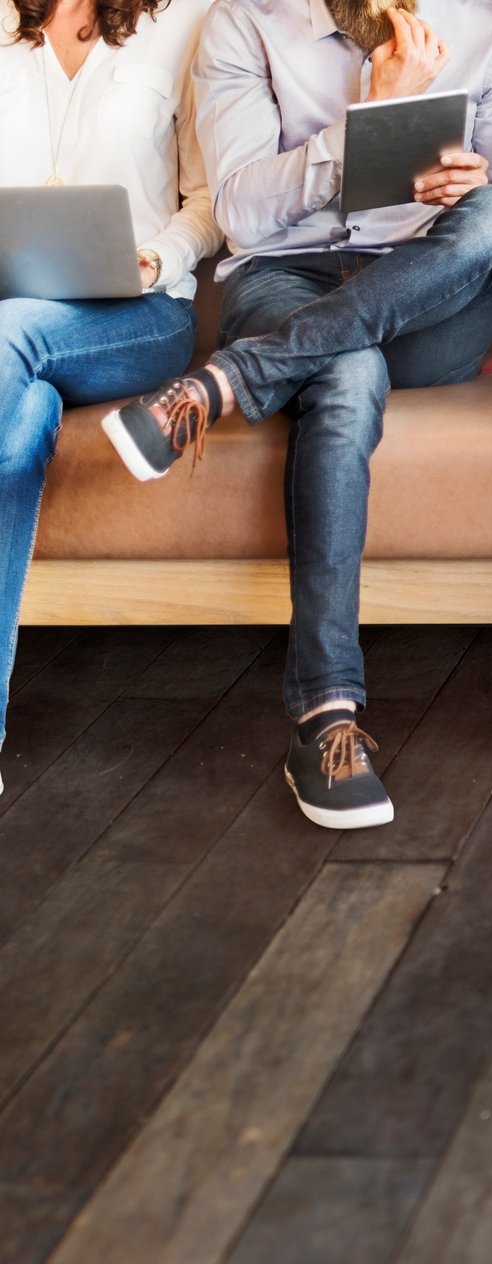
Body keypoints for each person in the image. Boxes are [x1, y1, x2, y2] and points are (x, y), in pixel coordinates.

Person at [97, 0, 492, 830]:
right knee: (345, 370)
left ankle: (227, 382)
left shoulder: (486, 26)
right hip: (288, 278)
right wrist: (367, 123)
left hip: (426, 292)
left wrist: (466, 184)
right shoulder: (244, 24)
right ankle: (326, 721)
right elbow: (237, 213)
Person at [0, 0, 219, 797]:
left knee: (8, 339)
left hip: (140, 315)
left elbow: (211, 202)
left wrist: (157, 259)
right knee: (17, 426)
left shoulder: (186, 19)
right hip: (13, 327)